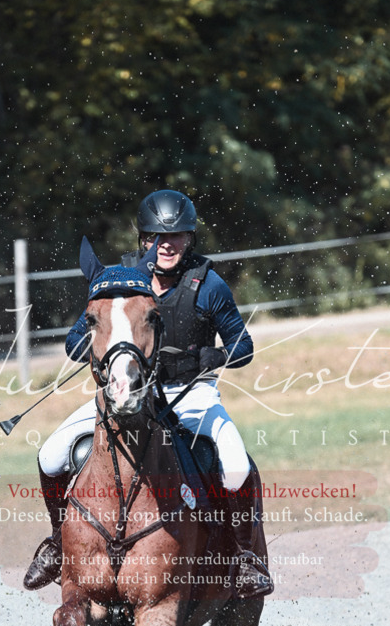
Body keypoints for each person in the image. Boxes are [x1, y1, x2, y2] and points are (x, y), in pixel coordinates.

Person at [23, 189, 273, 597]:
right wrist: (101, 346)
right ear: (143, 239)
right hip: (125, 392)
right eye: (157, 236)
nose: (167, 245)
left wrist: (207, 357)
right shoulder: (119, 282)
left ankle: (244, 557)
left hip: (191, 395)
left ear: (190, 239)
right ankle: (57, 544)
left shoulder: (207, 286)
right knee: (51, 456)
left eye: (177, 237)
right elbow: (74, 342)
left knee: (236, 467)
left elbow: (242, 347)